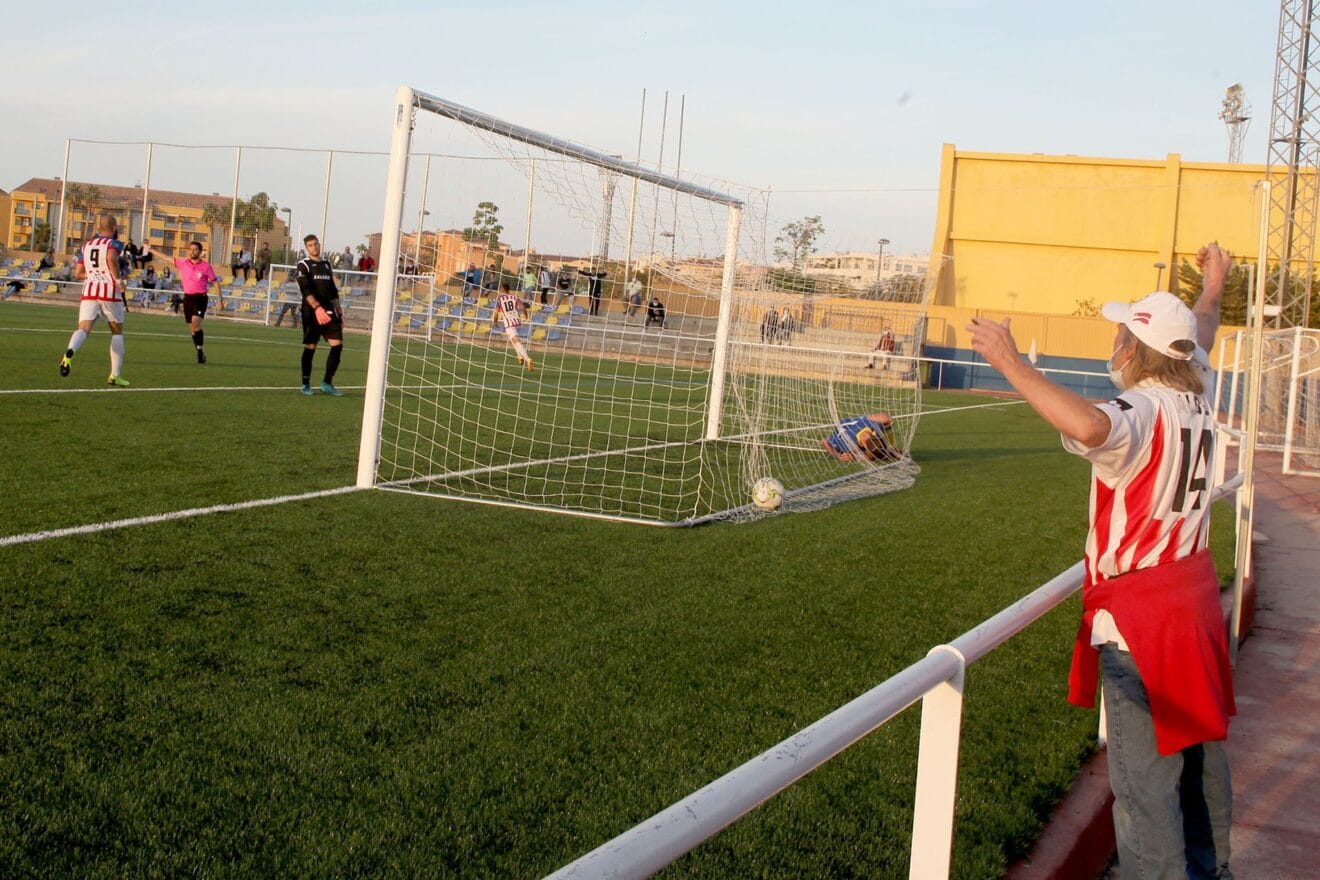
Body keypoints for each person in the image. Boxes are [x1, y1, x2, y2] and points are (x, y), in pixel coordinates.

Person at [966, 243, 1235, 880]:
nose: (1112, 343)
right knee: (1199, 764)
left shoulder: (1139, 410)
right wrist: (1214, 281)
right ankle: (1212, 871)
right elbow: (1202, 327)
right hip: (1193, 610)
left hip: (1143, 624)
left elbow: (1090, 428)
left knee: (1146, 791)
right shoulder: (1198, 390)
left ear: (1136, 348)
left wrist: (1008, 360)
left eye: (1120, 333)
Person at [59, 214, 130, 386]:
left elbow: (78, 273)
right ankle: (115, 375)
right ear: (114, 228)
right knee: (116, 332)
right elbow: (112, 259)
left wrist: (94, 275)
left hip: (89, 291)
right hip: (109, 291)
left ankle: (70, 351)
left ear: (99, 228)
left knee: (83, 328)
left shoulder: (86, 246)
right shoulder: (114, 244)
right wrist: (119, 281)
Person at [142, 239, 221, 364]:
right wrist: (150, 249)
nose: (192, 251)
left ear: (200, 252)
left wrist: (219, 299)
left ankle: (200, 351)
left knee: (195, 323)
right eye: (191, 249)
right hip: (188, 298)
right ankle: (200, 351)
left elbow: (215, 282)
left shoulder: (206, 266)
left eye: (195, 249)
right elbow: (166, 258)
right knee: (192, 328)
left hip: (200, 298)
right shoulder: (183, 263)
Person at [296, 234, 346, 396]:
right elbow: (305, 289)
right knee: (311, 347)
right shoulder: (304, 265)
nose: (314, 247)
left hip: (329, 310)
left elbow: (332, 289)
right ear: (307, 248)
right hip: (312, 312)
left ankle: (327, 383)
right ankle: (305, 383)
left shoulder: (326, 264)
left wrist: (339, 311)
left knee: (337, 345)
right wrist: (317, 308)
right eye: (310, 245)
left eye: (316, 244)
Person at [820, 412, 904, 463]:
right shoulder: (846, 444)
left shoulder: (875, 426)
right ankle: (888, 452)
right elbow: (824, 442)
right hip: (847, 426)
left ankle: (888, 452)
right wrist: (838, 455)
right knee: (872, 456)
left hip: (851, 423)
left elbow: (824, 442)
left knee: (886, 418)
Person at [491, 282, 534, 372]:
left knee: (516, 340)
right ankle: (519, 356)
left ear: (502, 290)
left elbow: (496, 312)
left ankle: (527, 359)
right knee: (512, 339)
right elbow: (522, 306)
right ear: (508, 289)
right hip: (517, 322)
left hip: (509, 324)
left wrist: (495, 322)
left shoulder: (500, 300)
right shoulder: (514, 297)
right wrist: (525, 316)